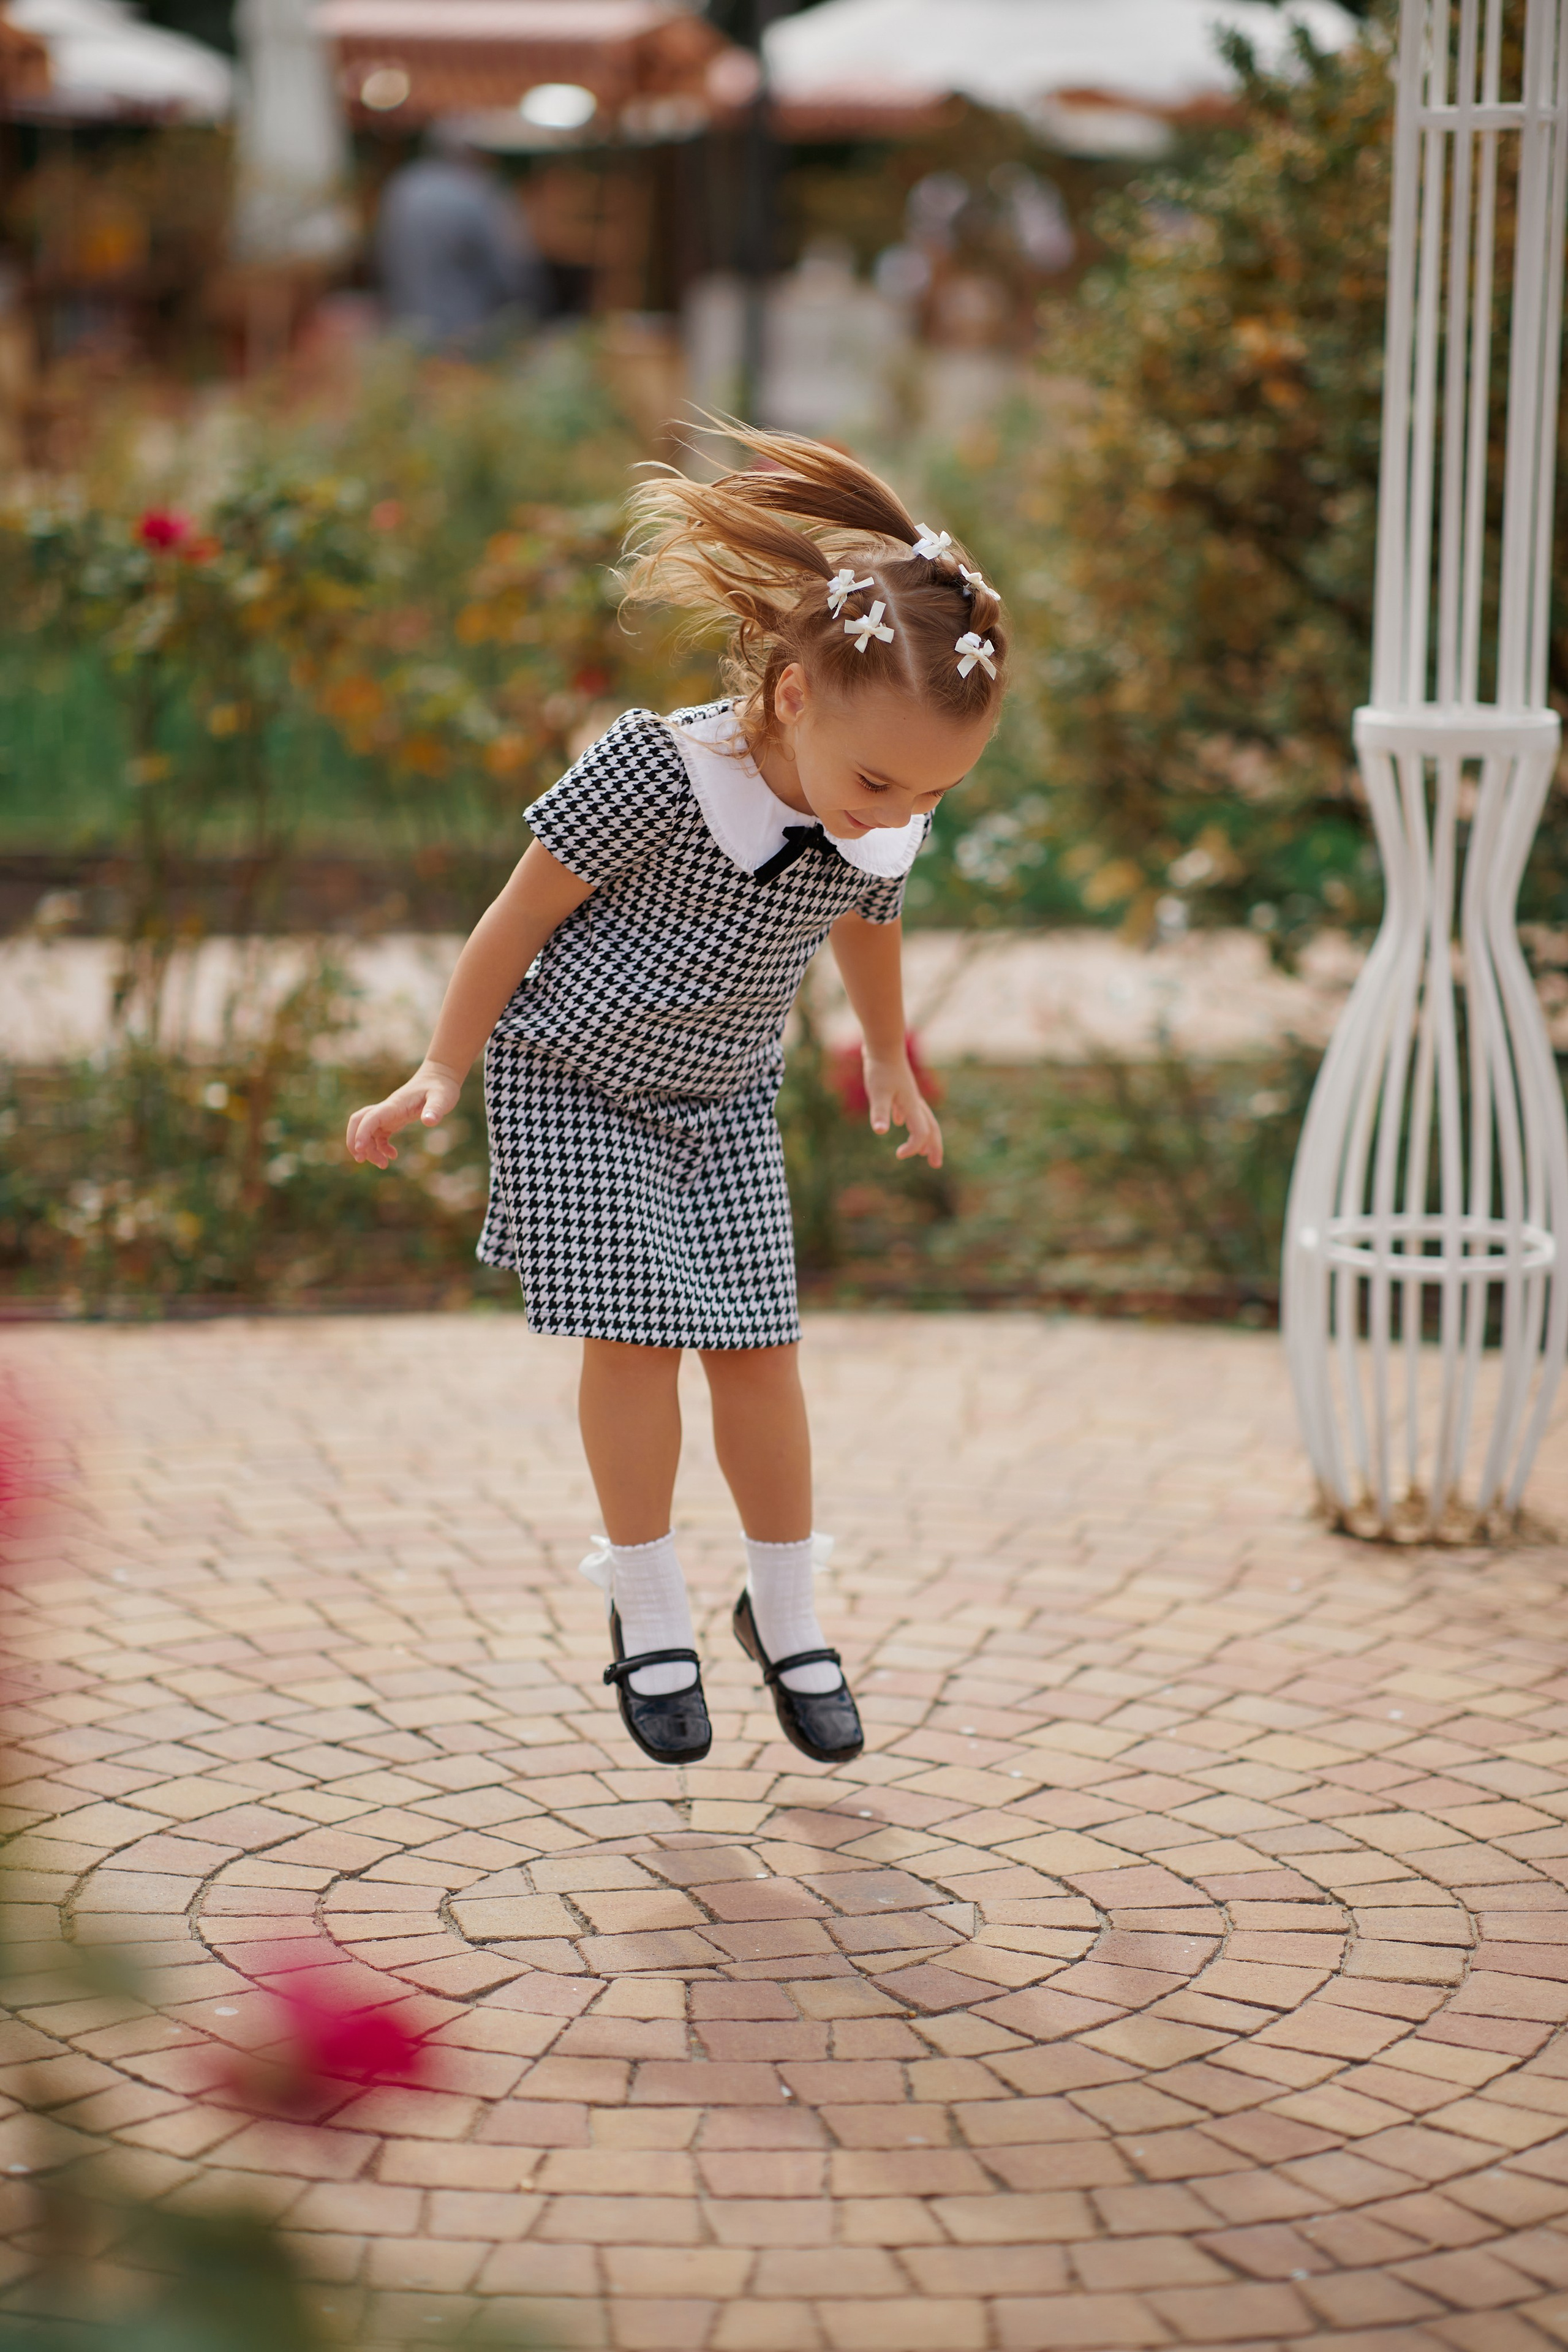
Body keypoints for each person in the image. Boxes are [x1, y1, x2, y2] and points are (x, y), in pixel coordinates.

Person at [345, 428, 1007, 1769]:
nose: (898, 814)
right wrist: (439, 1067)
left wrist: (885, 1055)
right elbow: (511, 922)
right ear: (788, 699)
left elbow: (866, 922)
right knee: (641, 1335)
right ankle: (646, 1610)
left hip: (718, 1100)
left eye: (933, 792)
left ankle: (786, 1610)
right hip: (571, 1081)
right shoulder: (660, 771)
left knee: (760, 1348)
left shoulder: (877, 810)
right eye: (883, 782)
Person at [374, 126, 541, 350]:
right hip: (467, 334)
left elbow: (380, 253)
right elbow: (513, 268)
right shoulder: (478, 191)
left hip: (406, 327)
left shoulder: (402, 187)